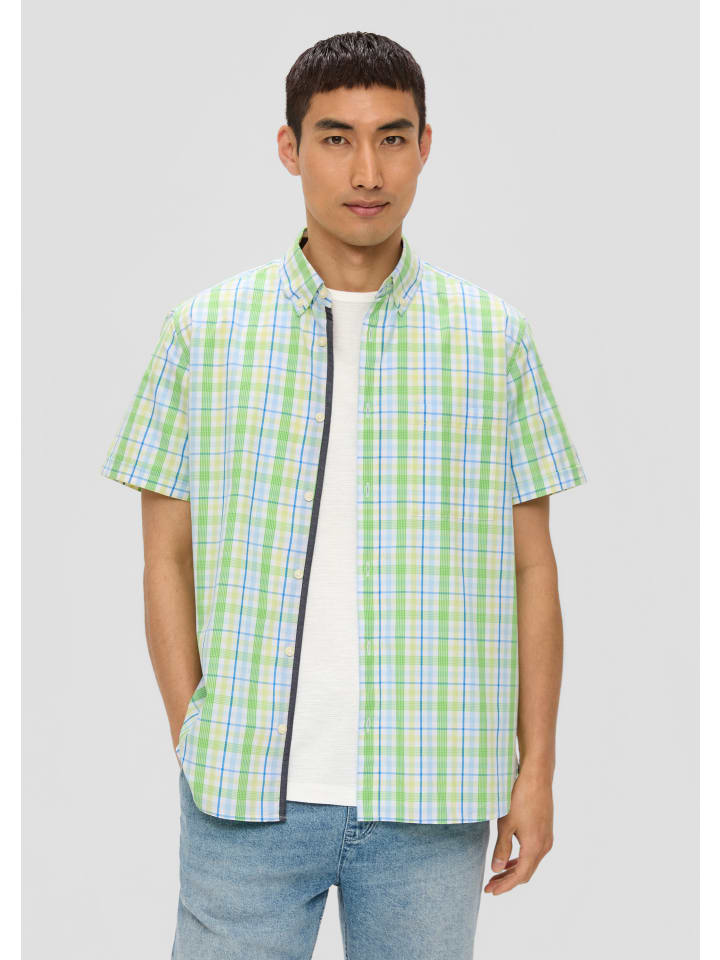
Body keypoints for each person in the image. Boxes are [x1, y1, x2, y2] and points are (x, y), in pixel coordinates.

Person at [100, 30, 588, 960]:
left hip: (433, 798)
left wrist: (538, 772)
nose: (367, 171)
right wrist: (194, 731)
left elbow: (534, 568)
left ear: (425, 147)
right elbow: (164, 554)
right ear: (290, 149)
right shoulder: (204, 333)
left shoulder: (494, 339)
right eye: (336, 138)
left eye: (392, 138)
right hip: (244, 799)